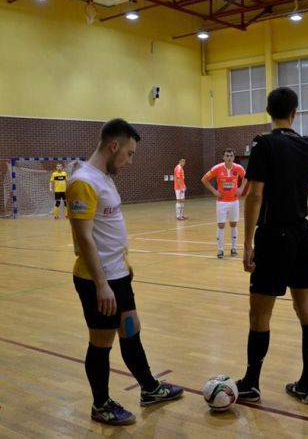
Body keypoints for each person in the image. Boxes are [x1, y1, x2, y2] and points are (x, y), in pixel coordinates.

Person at [67, 118, 183, 426]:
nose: (130, 160)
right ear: (113, 146)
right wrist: (102, 284)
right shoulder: (84, 181)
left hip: (118, 275)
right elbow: (83, 238)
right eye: (129, 153)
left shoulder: (104, 177)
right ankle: (100, 404)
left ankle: (149, 388)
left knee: (131, 331)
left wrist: (120, 273)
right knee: (101, 343)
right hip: (97, 281)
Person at [235, 87, 308, 406]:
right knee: (306, 308)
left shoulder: (263, 143)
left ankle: (252, 383)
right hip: (303, 233)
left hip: (274, 235)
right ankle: (306, 385)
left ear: (268, 112)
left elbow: (255, 195)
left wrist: (246, 243)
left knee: (260, 313)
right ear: (295, 112)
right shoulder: (307, 144)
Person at [201, 149, 247, 259]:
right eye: (227, 156)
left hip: (234, 201)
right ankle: (220, 250)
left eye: (231, 155)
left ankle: (234, 248)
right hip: (222, 202)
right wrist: (214, 191)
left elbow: (246, 177)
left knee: (233, 224)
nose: (229, 158)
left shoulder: (238, 168)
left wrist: (241, 188)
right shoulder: (217, 168)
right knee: (221, 225)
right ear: (223, 157)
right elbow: (204, 179)